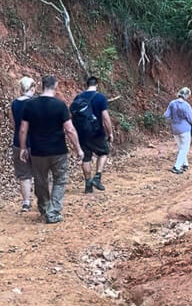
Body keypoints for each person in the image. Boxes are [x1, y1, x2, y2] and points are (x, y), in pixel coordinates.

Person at [19, 75, 83, 224]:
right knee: (59, 180)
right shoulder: (60, 105)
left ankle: (44, 207)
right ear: (55, 86)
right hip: (58, 150)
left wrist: (23, 148)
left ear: (42, 86)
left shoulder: (30, 105)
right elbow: (70, 130)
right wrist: (78, 149)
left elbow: (23, 129)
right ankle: (53, 212)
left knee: (40, 181)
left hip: (37, 151)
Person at [72, 76, 114, 194]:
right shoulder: (100, 97)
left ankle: (88, 184)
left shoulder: (78, 97)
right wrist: (110, 132)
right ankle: (97, 177)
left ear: (86, 85)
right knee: (104, 152)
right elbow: (105, 117)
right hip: (96, 132)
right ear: (97, 85)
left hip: (81, 133)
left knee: (86, 158)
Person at [10, 76, 36, 211]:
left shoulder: (14, 103)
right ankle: (43, 199)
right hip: (36, 142)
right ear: (32, 88)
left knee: (24, 174)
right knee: (40, 172)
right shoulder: (35, 103)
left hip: (18, 142)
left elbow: (13, 123)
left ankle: (26, 202)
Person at [163, 86, 192, 174]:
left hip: (175, 129)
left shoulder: (172, 103)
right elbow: (191, 119)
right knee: (184, 148)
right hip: (185, 130)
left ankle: (185, 164)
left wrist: (173, 120)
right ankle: (176, 167)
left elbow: (166, 116)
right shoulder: (186, 105)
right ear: (186, 95)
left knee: (181, 147)